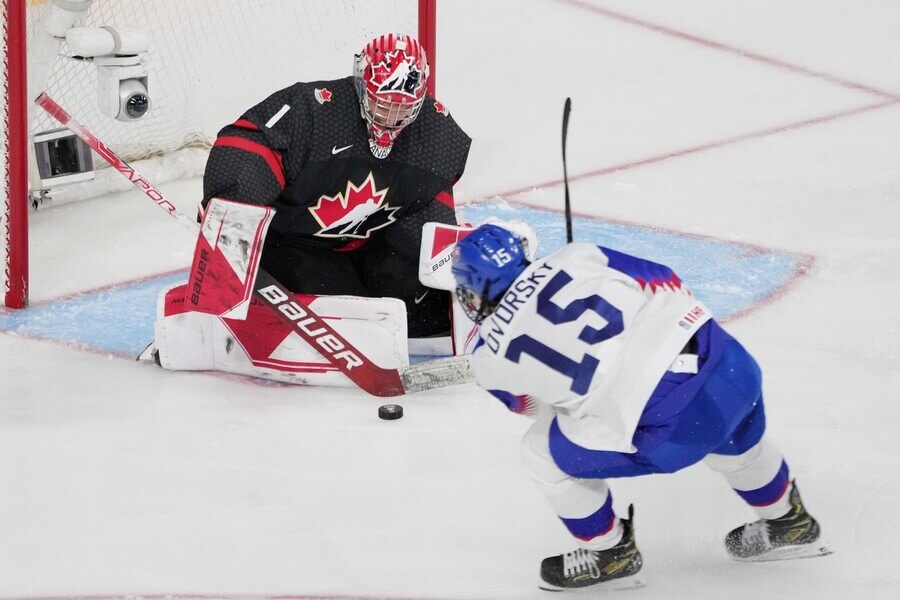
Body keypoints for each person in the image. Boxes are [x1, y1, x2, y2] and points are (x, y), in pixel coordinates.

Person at [450, 222, 830, 591]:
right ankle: (788, 523)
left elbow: (536, 407)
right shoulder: (578, 255)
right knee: (735, 442)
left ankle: (611, 555)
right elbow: (665, 279)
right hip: (731, 366)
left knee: (539, 453)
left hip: (675, 430)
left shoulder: (488, 359)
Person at [200, 33, 470, 339]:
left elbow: (428, 205)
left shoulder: (436, 133)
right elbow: (249, 143)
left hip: (367, 244)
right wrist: (233, 211)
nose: (391, 119)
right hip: (294, 242)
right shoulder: (315, 109)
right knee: (345, 304)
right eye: (382, 105)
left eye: (403, 109)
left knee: (423, 299)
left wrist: (450, 261)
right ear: (361, 82)